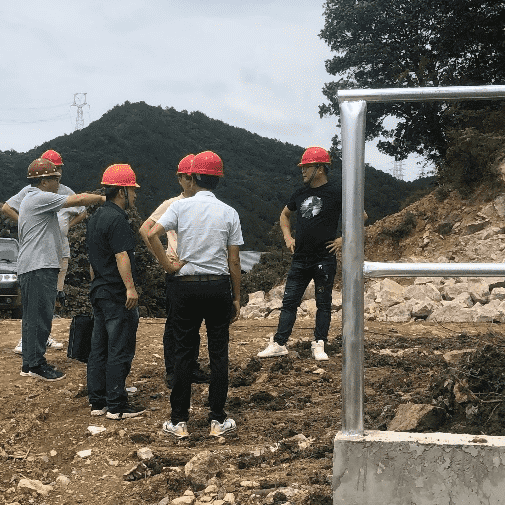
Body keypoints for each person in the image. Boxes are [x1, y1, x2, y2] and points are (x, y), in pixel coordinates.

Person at [143, 150, 243, 440]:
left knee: (184, 352)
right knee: (219, 353)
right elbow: (234, 261)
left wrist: (167, 265)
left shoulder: (179, 207)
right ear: (217, 180)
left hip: (185, 286)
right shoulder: (229, 212)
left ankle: (179, 421)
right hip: (218, 286)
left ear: (194, 177)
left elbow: (151, 233)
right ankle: (218, 419)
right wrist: (236, 297)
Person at [257, 147, 351, 362]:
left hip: (324, 257)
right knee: (289, 302)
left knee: (323, 304)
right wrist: (288, 238)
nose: (303, 171)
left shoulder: (337, 192)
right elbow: (284, 215)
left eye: (307, 167)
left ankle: (320, 344)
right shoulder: (300, 193)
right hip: (300, 257)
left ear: (320, 168)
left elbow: (360, 215)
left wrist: (344, 239)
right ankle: (279, 344)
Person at [16, 157, 104, 381]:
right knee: (40, 317)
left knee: (33, 316)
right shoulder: (40, 197)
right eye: (55, 179)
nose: (58, 183)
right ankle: (36, 364)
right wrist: (104, 197)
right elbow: (79, 200)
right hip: (39, 266)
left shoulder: (32, 198)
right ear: (44, 181)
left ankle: (30, 362)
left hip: (34, 265)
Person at [2, 148, 86, 351]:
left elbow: (82, 211)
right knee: (34, 300)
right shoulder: (31, 192)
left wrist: (65, 228)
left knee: (52, 296)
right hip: (37, 252)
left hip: (59, 250)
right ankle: (27, 341)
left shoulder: (64, 190)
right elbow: (6, 208)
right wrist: (26, 222)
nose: (56, 172)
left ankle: (44, 336)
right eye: (52, 168)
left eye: (59, 168)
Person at [140, 154, 206, 390]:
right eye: (187, 177)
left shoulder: (205, 204)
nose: (191, 181)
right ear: (180, 179)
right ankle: (173, 370)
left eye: (194, 177)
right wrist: (162, 259)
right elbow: (145, 229)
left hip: (198, 271)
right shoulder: (172, 204)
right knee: (175, 324)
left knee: (195, 323)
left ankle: (191, 366)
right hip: (177, 272)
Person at [87, 164, 145, 419]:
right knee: (119, 348)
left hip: (99, 290)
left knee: (98, 349)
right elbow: (122, 256)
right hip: (115, 293)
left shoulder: (96, 217)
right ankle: (117, 405)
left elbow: (92, 261)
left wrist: (97, 283)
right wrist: (130, 288)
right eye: (132, 191)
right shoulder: (118, 219)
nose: (135, 195)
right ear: (122, 191)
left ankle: (98, 402)